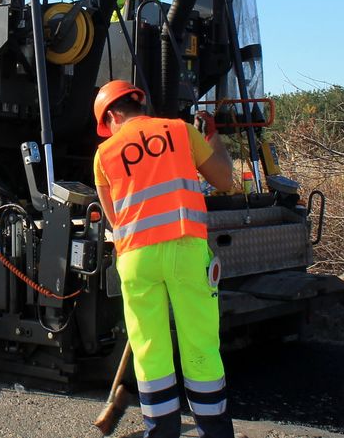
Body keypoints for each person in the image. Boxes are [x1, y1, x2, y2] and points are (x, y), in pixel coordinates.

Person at [91, 81, 236, 438]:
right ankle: (214, 431)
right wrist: (213, 137)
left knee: (149, 350)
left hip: (136, 259)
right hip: (185, 251)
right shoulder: (180, 130)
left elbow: (114, 219)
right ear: (139, 105)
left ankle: (160, 431)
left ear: (111, 116)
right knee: (200, 345)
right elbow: (224, 180)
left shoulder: (104, 154)